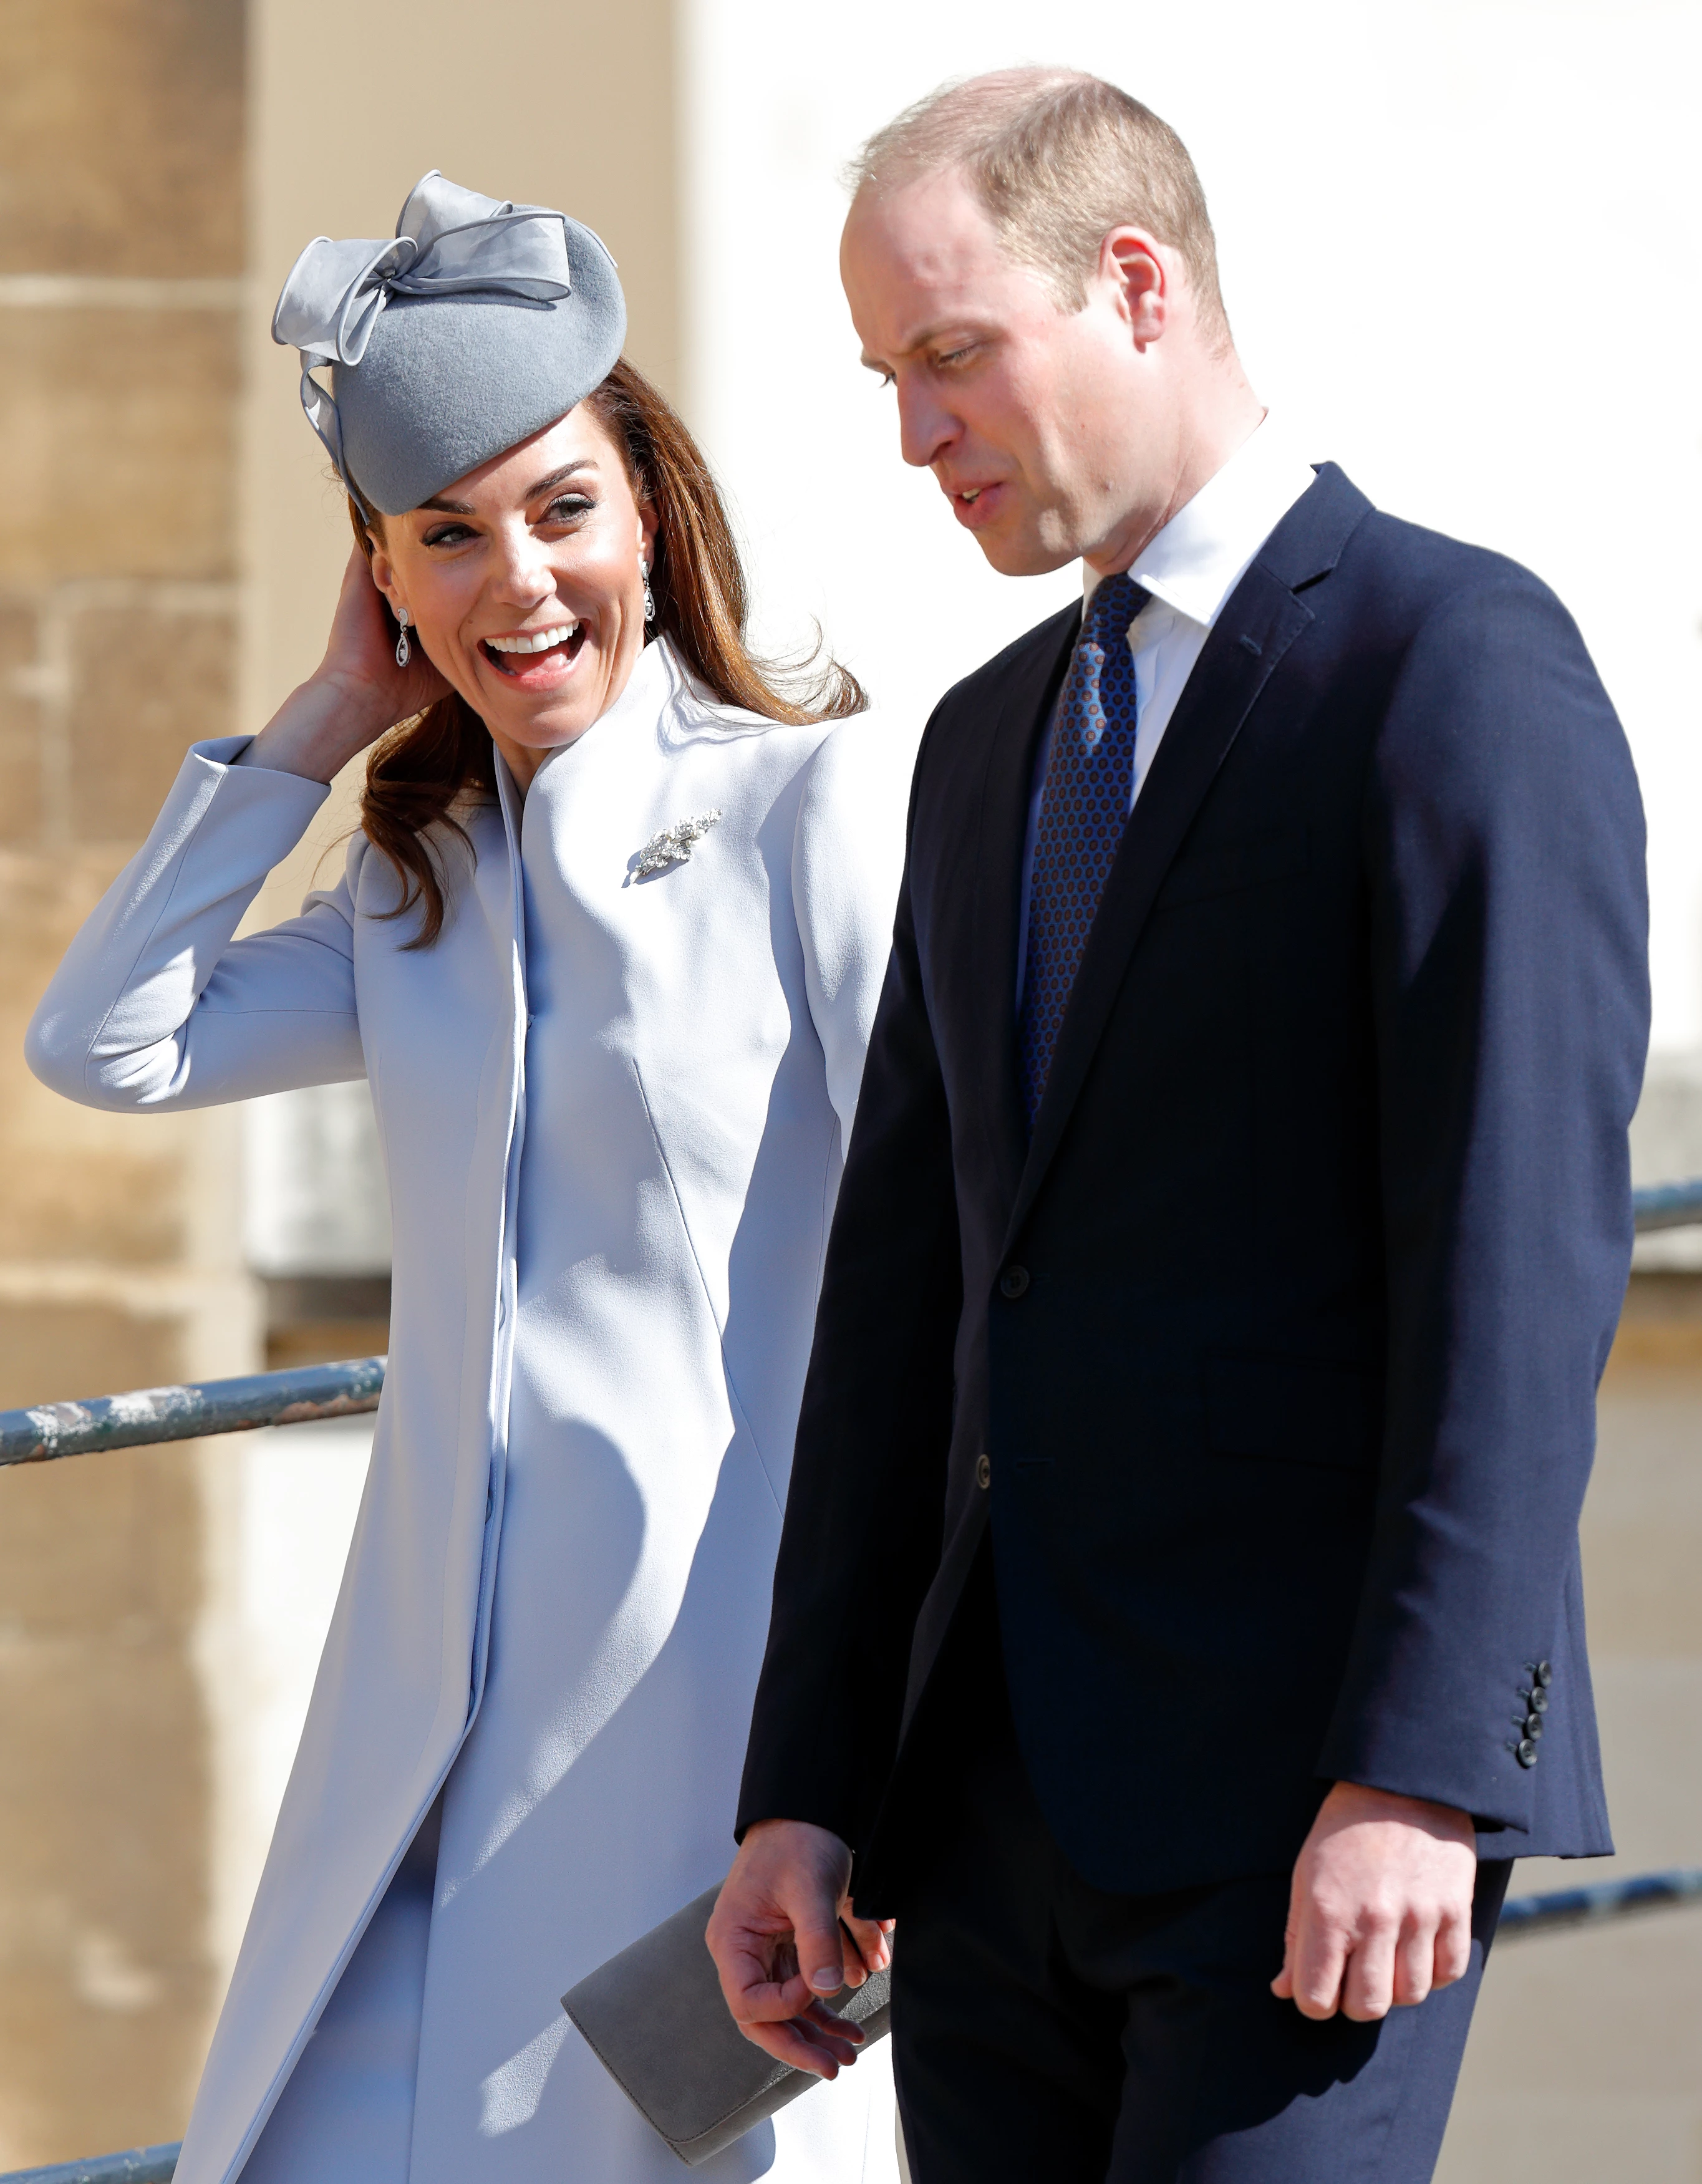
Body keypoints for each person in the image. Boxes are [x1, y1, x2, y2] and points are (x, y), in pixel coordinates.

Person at [707, 69, 1649, 2184]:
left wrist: (1421, 1769)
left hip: (1307, 1825)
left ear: (1135, 284)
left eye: (953, 353)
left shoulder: (1453, 664)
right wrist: (809, 1778)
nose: (914, 430)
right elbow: (907, 1299)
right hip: (976, 1832)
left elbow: (1513, 1265)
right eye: (886, 374)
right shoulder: (977, 749)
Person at [28, 172, 908, 2184]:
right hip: (408, 1766)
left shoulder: (806, 808)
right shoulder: (419, 890)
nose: (518, 582)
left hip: (709, 1757)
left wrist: (890, 1765)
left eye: (560, 510)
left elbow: (953, 1279)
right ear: (385, 575)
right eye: (447, 539)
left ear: (649, 515)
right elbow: (109, 1040)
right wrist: (332, 713)